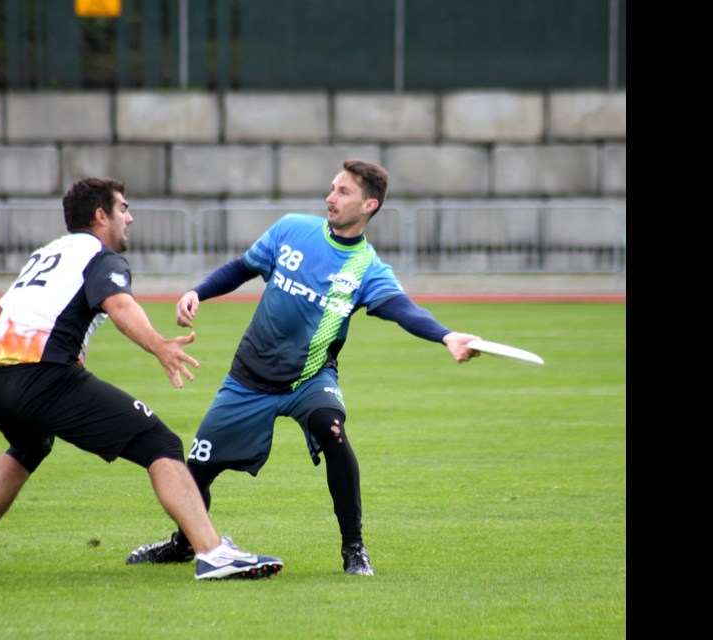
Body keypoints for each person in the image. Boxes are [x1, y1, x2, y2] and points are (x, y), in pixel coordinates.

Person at [124, 160, 482, 576]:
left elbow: (403, 310)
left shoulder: (366, 268)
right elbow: (243, 267)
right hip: (248, 378)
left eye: (343, 192)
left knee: (333, 433)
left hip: (309, 378)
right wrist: (197, 292)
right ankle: (184, 543)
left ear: (369, 205)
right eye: (331, 188)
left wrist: (447, 335)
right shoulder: (292, 229)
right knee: (195, 469)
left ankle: (354, 549)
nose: (331, 197)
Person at [0, 177, 283, 581]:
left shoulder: (48, 253)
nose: (131, 217)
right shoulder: (99, 255)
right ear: (100, 215)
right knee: (161, 443)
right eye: (123, 208)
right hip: (43, 377)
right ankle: (212, 554)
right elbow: (120, 305)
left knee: (28, 446)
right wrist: (160, 345)